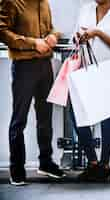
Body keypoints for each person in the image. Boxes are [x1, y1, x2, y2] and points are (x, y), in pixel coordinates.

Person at [0, 0, 66, 186]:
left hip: (45, 66)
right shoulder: (12, 2)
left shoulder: (44, 2)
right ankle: (16, 169)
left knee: (45, 118)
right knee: (19, 120)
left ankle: (45, 162)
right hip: (23, 67)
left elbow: (51, 28)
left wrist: (54, 36)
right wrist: (32, 43)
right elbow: (2, 32)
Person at [71, 0, 110, 181]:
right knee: (76, 114)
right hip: (84, 70)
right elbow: (76, 34)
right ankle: (93, 162)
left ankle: (104, 165)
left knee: (106, 116)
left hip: (107, 71)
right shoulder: (85, 10)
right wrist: (78, 37)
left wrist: (97, 32)